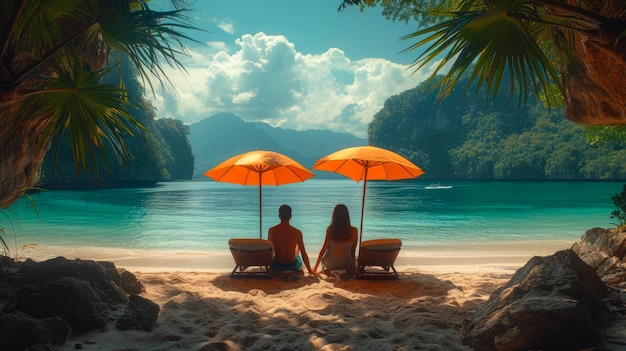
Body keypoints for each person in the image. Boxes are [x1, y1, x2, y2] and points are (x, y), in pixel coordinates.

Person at [268, 204, 316, 276]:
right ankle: (296, 251)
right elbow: (303, 253)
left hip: (278, 265)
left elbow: (269, 251)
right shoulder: (297, 232)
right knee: (298, 248)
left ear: (279, 216)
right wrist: (309, 270)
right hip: (292, 266)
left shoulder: (271, 231)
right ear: (290, 216)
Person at [314, 204, 358, 275]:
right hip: (346, 264)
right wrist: (353, 265)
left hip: (330, 264)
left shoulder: (330, 229)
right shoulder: (354, 231)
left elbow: (323, 250)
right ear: (347, 216)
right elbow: (352, 251)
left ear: (334, 216)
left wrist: (315, 268)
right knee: (356, 258)